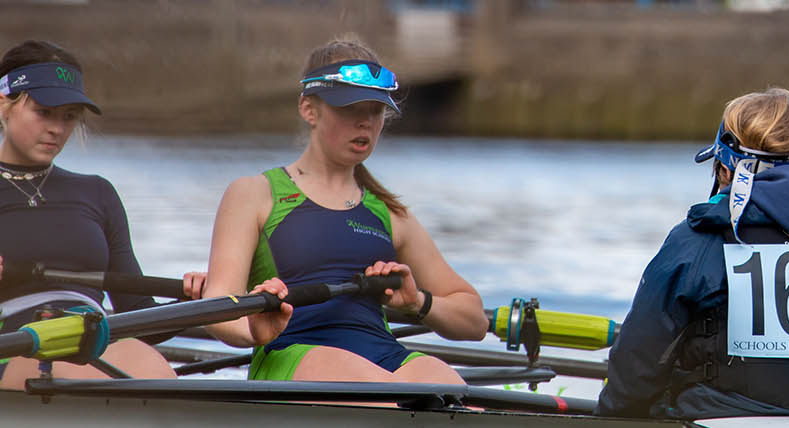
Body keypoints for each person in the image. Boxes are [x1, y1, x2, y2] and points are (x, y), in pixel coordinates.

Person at [201, 37, 487, 383]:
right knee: (390, 392)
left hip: (383, 355)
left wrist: (419, 303)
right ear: (309, 110)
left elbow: (474, 320)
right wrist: (252, 330)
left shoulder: (391, 213)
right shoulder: (253, 194)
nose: (365, 122)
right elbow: (217, 303)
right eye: (349, 108)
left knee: (447, 383)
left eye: (375, 110)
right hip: (293, 352)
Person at [597, 88, 789, 419]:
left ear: (722, 164)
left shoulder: (697, 241)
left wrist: (608, 417)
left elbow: (637, 364)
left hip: (715, 417)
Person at [0, 40, 209, 389]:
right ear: (4, 103)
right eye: (44, 112)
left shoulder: (97, 192)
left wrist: (197, 298)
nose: (58, 129)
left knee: (156, 374)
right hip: (13, 342)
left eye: (69, 117)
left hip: (93, 339)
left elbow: (138, 314)